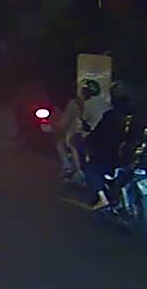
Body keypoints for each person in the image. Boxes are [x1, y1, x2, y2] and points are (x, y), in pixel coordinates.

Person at [82, 81, 139, 210]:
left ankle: (103, 199)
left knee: (90, 169)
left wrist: (88, 143)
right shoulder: (138, 114)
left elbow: (98, 134)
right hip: (134, 157)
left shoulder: (111, 116)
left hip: (113, 158)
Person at [56, 79, 102, 182]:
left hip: (86, 136)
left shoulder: (78, 103)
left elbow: (66, 122)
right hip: (100, 136)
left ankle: (73, 169)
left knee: (66, 142)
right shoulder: (103, 103)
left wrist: (58, 126)